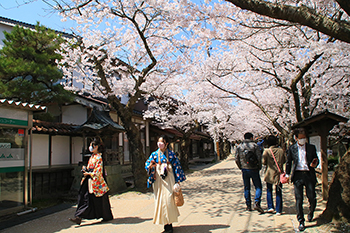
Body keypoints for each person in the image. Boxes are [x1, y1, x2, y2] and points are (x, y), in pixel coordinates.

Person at [145, 135, 186, 233]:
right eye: (158, 142)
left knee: (169, 201)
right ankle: (165, 224)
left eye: (162, 142)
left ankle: (169, 224)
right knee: (160, 201)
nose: (160, 144)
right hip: (159, 181)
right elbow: (147, 164)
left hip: (169, 180)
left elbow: (177, 167)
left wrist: (177, 181)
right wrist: (151, 166)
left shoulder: (171, 154)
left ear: (166, 143)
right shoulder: (154, 154)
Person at [69, 137, 113, 225]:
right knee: (85, 198)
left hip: (96, 181)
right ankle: (79, 217)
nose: (90, 147)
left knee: (94, 199)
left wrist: (89, 174)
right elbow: (90, 168)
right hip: (89, 180)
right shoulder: (92, 157)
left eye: (92, 145)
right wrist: (85, 170)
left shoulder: (99, 157)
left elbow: (98, 171)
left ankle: (105, 216)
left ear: (96, 146)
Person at [286, 130, 319, 232]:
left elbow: (315, 159)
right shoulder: (292, 148)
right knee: (299, 199)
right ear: (296, 138)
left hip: (309, 174)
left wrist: (314, 164)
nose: (303, 139)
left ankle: (311, 211)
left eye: (304, 137)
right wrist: (287, 174)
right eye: (300, 137)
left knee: (312, 197)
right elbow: (288, 162)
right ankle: (301, 221)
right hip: (297, 175)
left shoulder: (311, 147)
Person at [235, 132, 264, 213]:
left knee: (247, 187)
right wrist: (259, 167)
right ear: (251, 138)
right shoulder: (255, 146)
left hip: (244, 169)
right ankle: (257, 202)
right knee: (258, 186)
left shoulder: (239, 146)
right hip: (254, 169)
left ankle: (248, 205)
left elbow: (236, 158)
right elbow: (259, 157)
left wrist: (240, 167)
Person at [262, 135, 286, 215]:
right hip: (279, 173)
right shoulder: (281, 150)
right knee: (278, 191)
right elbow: (284, 161)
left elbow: (263, 162)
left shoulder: (266, 151)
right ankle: (279, 210)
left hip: (269, 173)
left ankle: (270, 207)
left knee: (269, 190)